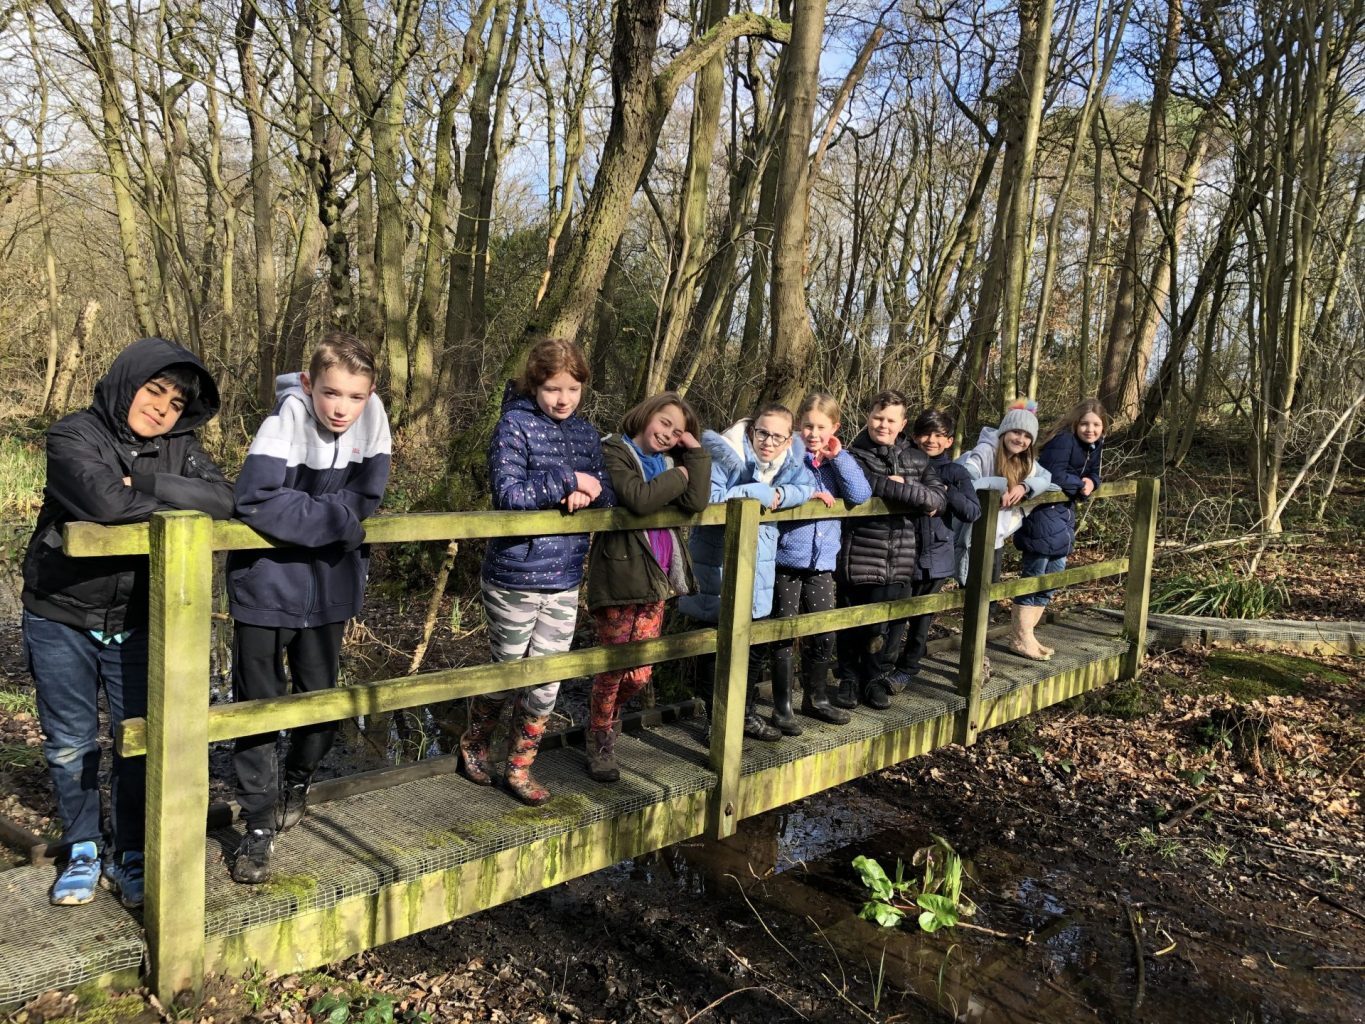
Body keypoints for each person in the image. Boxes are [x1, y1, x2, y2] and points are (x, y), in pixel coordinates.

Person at [22, 337, 234, 907]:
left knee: (139, 739)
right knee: (70, 741)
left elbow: (224, 500)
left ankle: (132, 852)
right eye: (154, 391)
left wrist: (143, 483)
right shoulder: (73, 435)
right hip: (61, 612)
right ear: (126, 384)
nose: (161, 409)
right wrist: (168, 499)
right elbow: (103, 506)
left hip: (139, 617)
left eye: (175, 403)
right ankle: (83, 847)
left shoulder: (180, 446)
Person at [226, 332, 392, 884]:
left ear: (370, 395)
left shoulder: (373, 424)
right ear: (308, 384)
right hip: (265, 589)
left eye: (355, 397)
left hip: (330, 590)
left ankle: (296, 779)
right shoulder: (284, 422)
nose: (341, 408)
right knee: (257, 709)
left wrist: (311, 514)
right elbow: (255, 500)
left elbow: (366, 500)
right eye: (330, 393)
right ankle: (257, 823)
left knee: (321, 705)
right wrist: (335, 521)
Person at [458, 337, 613, 805]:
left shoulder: (586, 434)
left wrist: (588, 491)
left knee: (548, 680)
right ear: (534, 386)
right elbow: (508, 494)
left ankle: (519, 767)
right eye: (552, 389)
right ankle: (474, 744)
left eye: (572, 389)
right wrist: (568, 481)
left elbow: (606, 492)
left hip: (564, 576)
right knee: (509, 671)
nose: (563, 399)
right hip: (514, 573)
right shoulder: (514, 425)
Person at [584, 392, 710, 782]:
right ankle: (600, 738)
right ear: (645, 415)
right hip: (620, 574)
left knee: (639, 673)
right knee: (614, 667)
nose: (668, 434)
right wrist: (680, 476)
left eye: (677, 431)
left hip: (658, 578)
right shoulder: (614, 451)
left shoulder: (671, 462)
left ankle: (605, 718)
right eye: (664, 422)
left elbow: (697, 501)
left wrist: (695, 454)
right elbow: (638, 498)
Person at [678, 404, 818, 741]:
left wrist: (781, 493)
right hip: (716, 565)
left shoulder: (789, 462)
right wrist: (758, 492)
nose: (768, 442)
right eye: (763, 433)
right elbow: (712, 498)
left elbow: (807, 487)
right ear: (752, 430)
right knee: (713, 647)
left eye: (777, 437)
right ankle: (716, 721)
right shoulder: (725, 455)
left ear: (788, 441)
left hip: (758, 567)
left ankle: (744, 714)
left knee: (753, 647)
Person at [834, 390, 947, 711]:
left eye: (890, 420)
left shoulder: (917, 458)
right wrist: (906, 491)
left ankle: (872, 679)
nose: (883, 425)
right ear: (868, 417)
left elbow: (938, 500)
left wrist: (904, 487)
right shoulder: (852, 455)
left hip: (900, 556)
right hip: (859, 552)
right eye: (878, 418)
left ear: (903, 424)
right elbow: (867, 486)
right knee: (851, 622)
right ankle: (848, 680)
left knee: (881, 626)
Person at [770, 392, 871, 730]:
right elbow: (776, 489)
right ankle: (782, 707)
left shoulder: (837, 462)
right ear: (798, 426)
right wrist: (806, 494)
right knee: (783, 634)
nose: (813, 433)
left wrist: (838, 457)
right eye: (808, 426)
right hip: (786, 560)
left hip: (822, 563)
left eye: (821, 427)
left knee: (823, 632)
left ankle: (816, 698)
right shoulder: (788, 456)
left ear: (834, 428)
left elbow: (860, 495)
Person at [953, 398, 1054, 660]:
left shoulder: (1024, 461)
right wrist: (999, 486)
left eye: (1027, 436)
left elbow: (1046, 478)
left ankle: (978, 652)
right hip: (971, 536)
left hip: (994, 539)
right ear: (1004, 431)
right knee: (971, 595)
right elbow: (968, 476)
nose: (1020, 439)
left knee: (989, 598)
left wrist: (1024, 486)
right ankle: (971, 654)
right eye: (1016, 432)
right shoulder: (985, 451)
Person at [890, 409, 981, 688]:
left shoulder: (955, 472)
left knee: (921, 619)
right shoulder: (901, 464)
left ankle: (907, 669)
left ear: (949, 441)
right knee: (894, 616)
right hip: (901, 552)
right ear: (915, 436)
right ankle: (883, 668)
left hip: (936, 556)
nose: (931, 440)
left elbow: (972, 511)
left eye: (938, 435)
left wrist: (946, 491)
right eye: (925, 434)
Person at [1011, 399, 1107, 659]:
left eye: (1096, 425)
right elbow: (1052, 474)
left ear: (1103, 427)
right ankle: (1020, 637)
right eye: (1085, 423)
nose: (1090, 429)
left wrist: (1092, 482)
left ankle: (1028, 635)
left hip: (1063, 515)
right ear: (1075, 423)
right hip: (1043, 513)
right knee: (1035, 573)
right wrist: (1080, 485)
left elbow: (1093, 473)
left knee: (1054, 574)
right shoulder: (1064, 440)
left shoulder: (1094, 445)